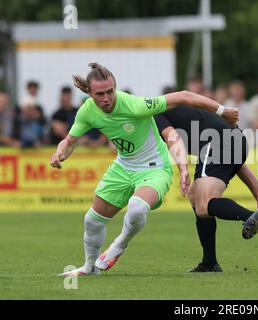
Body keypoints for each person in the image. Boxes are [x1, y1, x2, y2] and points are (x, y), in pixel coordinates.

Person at [51, 63, 239, 276]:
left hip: (154, 169)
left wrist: (222, 111)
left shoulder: (135, 105)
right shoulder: (87, 110)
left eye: (110, 91)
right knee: (92, 221)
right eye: (100, 94)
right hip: (123, 167)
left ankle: (119, 245)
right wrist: (59, 154)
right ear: (89, 92)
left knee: (137, 207)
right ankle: (88, 267)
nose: (106, 98)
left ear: (115, 87)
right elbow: (69, 141)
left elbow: (185, 96)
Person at [155, 106, 258, 272]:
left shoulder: (154, 116)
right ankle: (209, 262)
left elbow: (173, 137)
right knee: (194, 195)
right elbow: (240, 165)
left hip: (216, 142)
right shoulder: (181, 115)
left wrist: (183, 169)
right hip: (237, 141)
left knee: (204, 204)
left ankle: (248, 216)